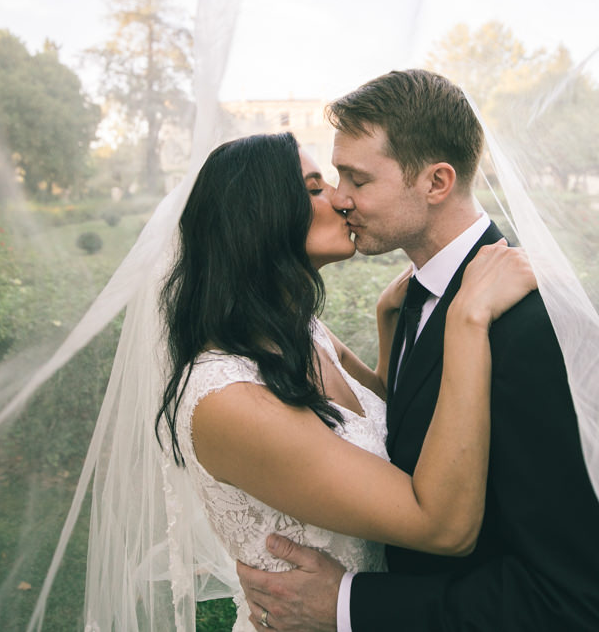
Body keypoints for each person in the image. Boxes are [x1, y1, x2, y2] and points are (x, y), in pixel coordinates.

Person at [236, 69, 599, 631]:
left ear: (437, 182)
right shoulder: (413, 301)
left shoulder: (525, 327)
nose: (339, 198)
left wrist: (349, 606)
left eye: (358, 179)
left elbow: (576, 603)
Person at [155, 130, 537, 632]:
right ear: (260, 219)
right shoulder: (229, 399)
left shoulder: (302, 334)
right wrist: (466, 321)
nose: (340, 198)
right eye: (315, 188)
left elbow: (383, 426)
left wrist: (390, 322)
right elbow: (443, 527)